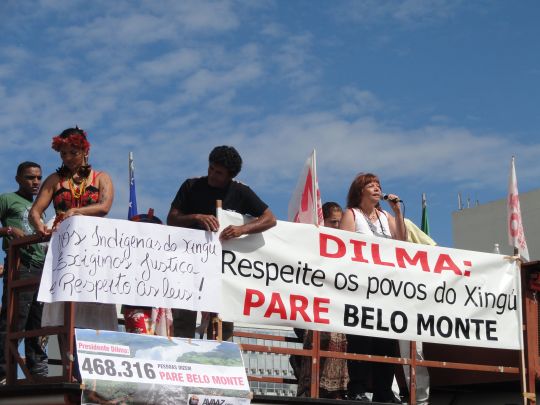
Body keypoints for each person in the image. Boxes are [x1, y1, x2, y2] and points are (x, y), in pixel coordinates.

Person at [167, 145, 276, 340]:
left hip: (222, 269)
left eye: (219, 173)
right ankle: (183, 362)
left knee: (222, 322)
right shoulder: (191, 186)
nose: (212, 175)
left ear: (230, 176)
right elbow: (172, 219)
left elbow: (270, 219)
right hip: (188, 264)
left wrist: (241, 230)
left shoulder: (241, 192)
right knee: (183, 317)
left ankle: (218, 364)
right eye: (211, 168)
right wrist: (196, 217)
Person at [29, 127, 118, 331]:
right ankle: (66, 356)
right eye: (63, 154)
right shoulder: (54, 180)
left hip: (95, 249)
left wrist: (76, 211)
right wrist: (40, 225)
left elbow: (104, 206)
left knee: (95, 299)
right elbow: (34, 212)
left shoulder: (101, 178)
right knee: (63, 308)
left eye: (73, 153)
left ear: (85, 151)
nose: (68, 158)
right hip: (65, 251)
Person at [339, 172, 405, 404]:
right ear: (360, 191)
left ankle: (383, 390)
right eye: (371, 185)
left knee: (386, 341)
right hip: (360, 287)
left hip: (386, 288)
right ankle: (356, 388)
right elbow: (341, 248)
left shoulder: (386, 215)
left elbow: (403, 244)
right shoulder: (352, 215)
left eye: (378, 185)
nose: (377, 188)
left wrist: (397, 211)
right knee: (360, 338)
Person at [296, 202, 349, 399]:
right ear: (322, 221)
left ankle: (335, 393)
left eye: (339, 223)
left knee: (337, 344)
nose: (337, 227)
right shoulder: (311, 246)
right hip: (312, 310)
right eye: (332, 222)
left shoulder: (345, 249)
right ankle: (312, 391)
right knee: (316, 345)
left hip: (336, 310)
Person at [0, 161, 48, 382]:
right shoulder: (7, 199)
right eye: (30, 177)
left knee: (37, 320)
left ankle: (37, 371)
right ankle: (3, 371)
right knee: (14, 318)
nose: (35, 182)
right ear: (18, 179)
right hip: (20, 265)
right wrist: (9, 229)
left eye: (39, 177)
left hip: (42, 266)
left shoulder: (42, 204)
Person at [122, 209, 173, 337]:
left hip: (157, 306)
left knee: (157, 348)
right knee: (142, 344)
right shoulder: (127, 255)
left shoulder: (163, 256)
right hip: (136, 305)